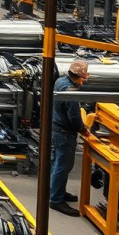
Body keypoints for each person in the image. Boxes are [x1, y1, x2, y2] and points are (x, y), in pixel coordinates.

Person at [49, 60, 91, 217]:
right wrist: (84, 130)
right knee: (63, 166)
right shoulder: (70, 90)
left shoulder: (60, 81)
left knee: (56, 164)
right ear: (81, 76)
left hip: (56, 129)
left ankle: (56, 191)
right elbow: (74, 117)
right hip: (65, 133)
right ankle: (56, 200)